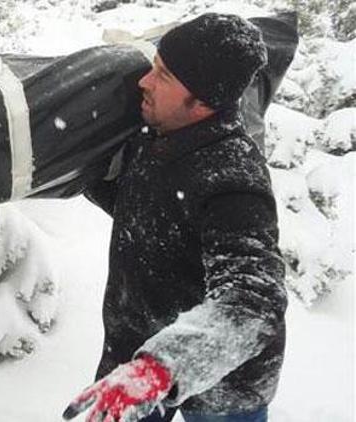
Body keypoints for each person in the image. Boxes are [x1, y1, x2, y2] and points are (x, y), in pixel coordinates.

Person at [64, 13, 287, 422]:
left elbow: (253, 301)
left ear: (203, 101)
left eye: (163, 75)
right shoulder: (159, 134)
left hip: (220, 380)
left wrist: (159, 369)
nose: (144, 82)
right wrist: (76, 170)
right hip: (137, 349)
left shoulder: (235, 182)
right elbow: (151, 211)